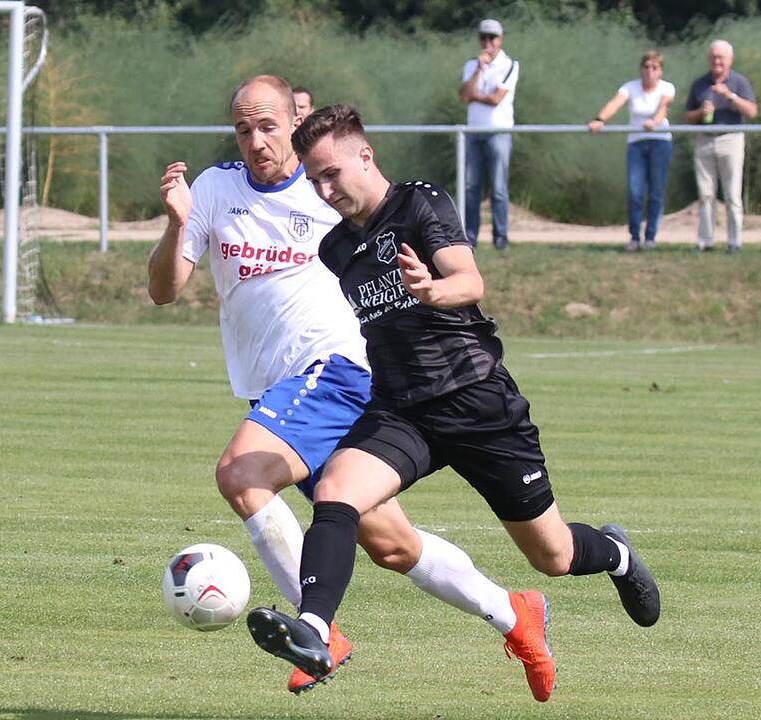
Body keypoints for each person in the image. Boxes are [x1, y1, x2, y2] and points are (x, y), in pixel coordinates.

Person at [149, 75, 556, 701]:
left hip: (332, 371)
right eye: (243, 129)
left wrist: (433, 289)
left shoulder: (327, 191)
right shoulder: (214, 189)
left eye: (268, 126)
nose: (256, 141)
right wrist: (177, 223)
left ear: (296, 122)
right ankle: (516, 614)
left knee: (241, 474)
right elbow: (163, 290)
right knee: (392, 546)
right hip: (278, 395)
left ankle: (318, 631)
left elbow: (393, 217)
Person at [247, 105, 661, 692]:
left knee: (554, 556)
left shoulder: (420, 203)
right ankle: (314, 629)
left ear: (365, 155)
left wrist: (432, 290)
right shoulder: (335, 248)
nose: (325, 189)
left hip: (477, 403)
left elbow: (470, 281)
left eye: (332, 173)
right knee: (336, 491)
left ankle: (615, 553)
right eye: (314, 179)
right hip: (401, 411)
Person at [589, 51, 676, 252]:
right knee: (635, 191)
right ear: (641, 69)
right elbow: (615, 104)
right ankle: (635, 237)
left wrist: (654, 122)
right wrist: (600, 119)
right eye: (646, 67)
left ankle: (651, 237)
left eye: (654, 67)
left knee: (655, 191)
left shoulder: (667, 87)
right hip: (636, 144)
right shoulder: (630, 87)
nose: (649, 71)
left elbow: (664, 108)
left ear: (660, 71)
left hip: (660, 142)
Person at [684, 39, 758, 253]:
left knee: (732, 194)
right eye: (714, 57)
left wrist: (730, 96)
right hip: (704, 139)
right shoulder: (699, 84)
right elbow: (688, 117)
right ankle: (705, 242)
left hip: (731, 139)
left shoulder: (739, 82)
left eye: (721, 57)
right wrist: (701, 112)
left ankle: (734, 242)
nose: (717, 61)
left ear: (730, 60)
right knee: (705, 194)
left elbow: (752, 111)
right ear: (708, 59)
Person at [458, 18, 518, 250]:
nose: (487, 42)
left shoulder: (510, 65)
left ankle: (501, 238)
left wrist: (474, 96)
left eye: (492, 38)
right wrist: (478, 70)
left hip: (499, 132)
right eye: (483, 37)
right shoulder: (471, 65)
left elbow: (496, 99)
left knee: (498, 188)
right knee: (471, 188)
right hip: (473, 132)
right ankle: (469, 238)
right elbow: (464, 94)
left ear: (500, 40)